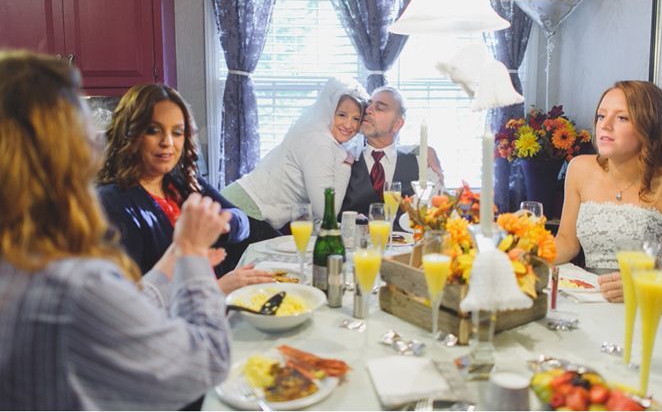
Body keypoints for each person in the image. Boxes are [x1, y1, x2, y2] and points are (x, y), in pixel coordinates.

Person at [0, 51, 233, 410]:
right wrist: (191, 258)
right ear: (64, 151)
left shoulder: (21, 259)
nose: (95, 143)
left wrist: (176, 257)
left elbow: (124, 303)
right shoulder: (71, 281)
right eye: (85, 131)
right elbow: (205, 364)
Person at [97, 84, 267, 293]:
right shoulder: (112, 203)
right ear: (129, 134)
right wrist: (217, 290)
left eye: (177, 132)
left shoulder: (183, 181)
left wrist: (218, 227)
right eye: (153, 130)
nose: (167, 142)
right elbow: (131, 302)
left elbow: (242, 221)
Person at [553, 80, 662, 325]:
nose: (604, 125)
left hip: (658, 310)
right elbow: (567, 242)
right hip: (596, 302)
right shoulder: (579, 168)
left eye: (621, 118)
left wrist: (642, 285)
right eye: (601, 115)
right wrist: (530, 257)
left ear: (649, 126)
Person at [222, 76, 368, 231]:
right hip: (244, 209)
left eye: (356, 118)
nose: (348, 125)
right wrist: (346, 165)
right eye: (342, 115)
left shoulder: (318, 134)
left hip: (243, 204)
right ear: (329, 111)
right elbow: (326, 214)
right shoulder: (320, 143)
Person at [340, 85, 444, 229]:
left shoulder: (423, 163)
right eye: (368, 105)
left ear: (397, 124)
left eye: (380, 108)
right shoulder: (343, 159)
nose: (367, 110)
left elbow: (435, 218)